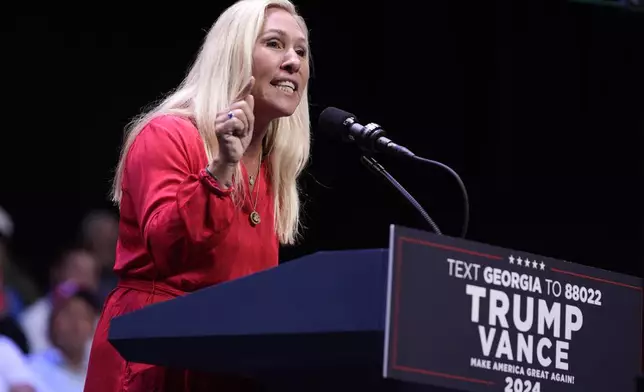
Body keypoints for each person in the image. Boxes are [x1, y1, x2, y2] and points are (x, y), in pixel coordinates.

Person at [83, 0, 311, 391]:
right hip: (155, 357)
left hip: (225, 362)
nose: (293, 61)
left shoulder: (273, 166)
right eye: (275, 44)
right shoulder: (168, 135)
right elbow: (169, 248)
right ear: (234, 55)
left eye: (302, 51)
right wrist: (221, 168)